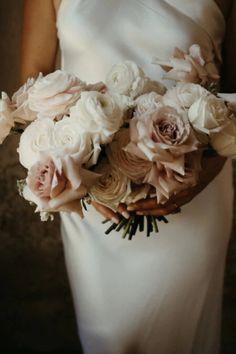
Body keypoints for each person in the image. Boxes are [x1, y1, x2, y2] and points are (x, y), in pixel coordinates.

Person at [21, 1, 235, 353]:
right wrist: (81, 184)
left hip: (191, 194)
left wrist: (204, 174)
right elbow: (33, 87)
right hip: (91, 202)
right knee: (108, 340)